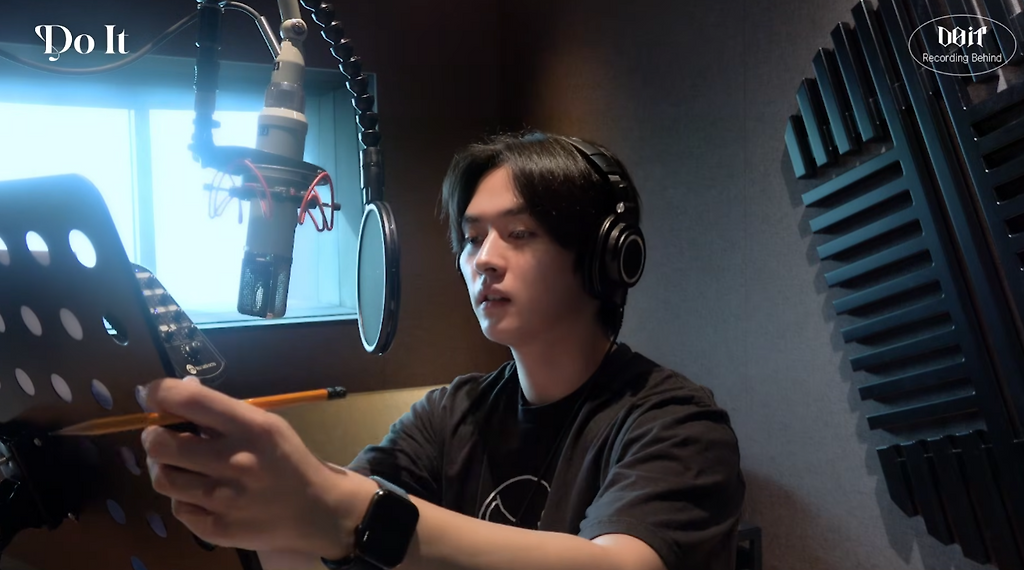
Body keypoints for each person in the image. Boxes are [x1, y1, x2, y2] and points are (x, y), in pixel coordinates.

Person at [140, 131, 746, 570]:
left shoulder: (678, 425)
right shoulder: (452, 414)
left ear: (604, 257)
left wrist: (361, 516)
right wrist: (257, 507)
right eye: (472, 238)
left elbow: (616, 565)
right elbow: (325, 531)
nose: (484, 259)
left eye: (519, 233)